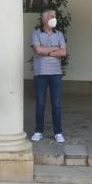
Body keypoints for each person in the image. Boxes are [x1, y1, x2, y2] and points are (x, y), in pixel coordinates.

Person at [31, 9, 67, 143]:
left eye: (55, 16)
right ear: (44, 19)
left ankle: (58, 132)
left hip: (55, 73)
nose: (54, 18)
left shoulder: (59, 34)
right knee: (40, 103)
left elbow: (63, 52)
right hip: (41, 72)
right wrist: (54, 49)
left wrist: (46, 52)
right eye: (52, 16)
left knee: (56, 104)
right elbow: (37, 50)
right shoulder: (36, 33)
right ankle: (38, 131)